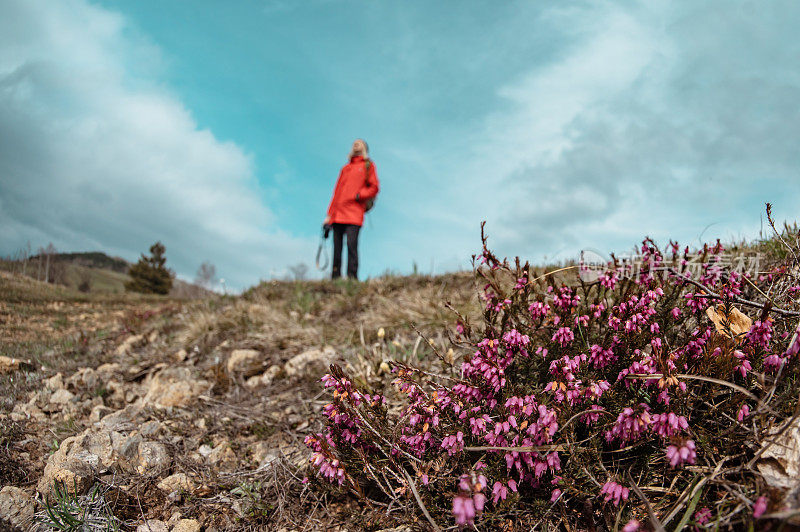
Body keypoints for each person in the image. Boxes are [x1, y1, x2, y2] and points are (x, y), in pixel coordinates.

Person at [324, 139, 379, 279]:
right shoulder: (345, 168)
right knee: (337, 247)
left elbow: (374, 187)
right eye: (354, 143)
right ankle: (335, 277)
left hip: (354, 213)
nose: (356, 144)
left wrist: (359, 195)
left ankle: (352, 277)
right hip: (338, 214)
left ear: (365, 148)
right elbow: (336, 192)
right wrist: (329, 214)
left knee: (351, 245)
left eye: (359, 143)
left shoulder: (368, 165)